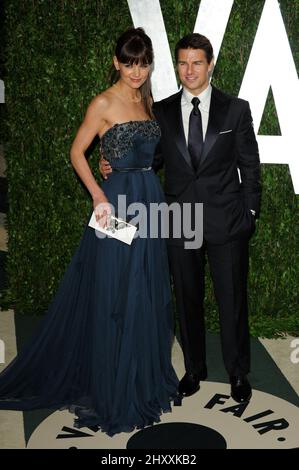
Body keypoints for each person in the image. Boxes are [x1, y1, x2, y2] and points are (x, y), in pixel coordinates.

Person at [0, 27, 179, 436]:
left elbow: (147, 154)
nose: (137, 71)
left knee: (146, 290)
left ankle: (142, 377)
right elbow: (76, 151)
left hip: (149, 198)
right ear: (116, 62)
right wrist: (99, 195)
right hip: (115, 205)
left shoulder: (146, 99)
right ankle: (114, 386)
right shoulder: (103, 102)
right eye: (129, 62)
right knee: (116, 291)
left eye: (144, 63)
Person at [101, 33, 261, 404]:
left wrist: (249, 214)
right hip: (179, 219)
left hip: (226, 220)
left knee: (232, 299)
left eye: (197, 62)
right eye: (183, 62)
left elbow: (250, 168)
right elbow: (151, 158)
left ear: (210, 64)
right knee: (186, 298)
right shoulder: (163, 110)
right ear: (176, 65)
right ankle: (194, 369)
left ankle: (238, 373)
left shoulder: (235, 109)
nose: (189, 70)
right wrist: (112, 162)